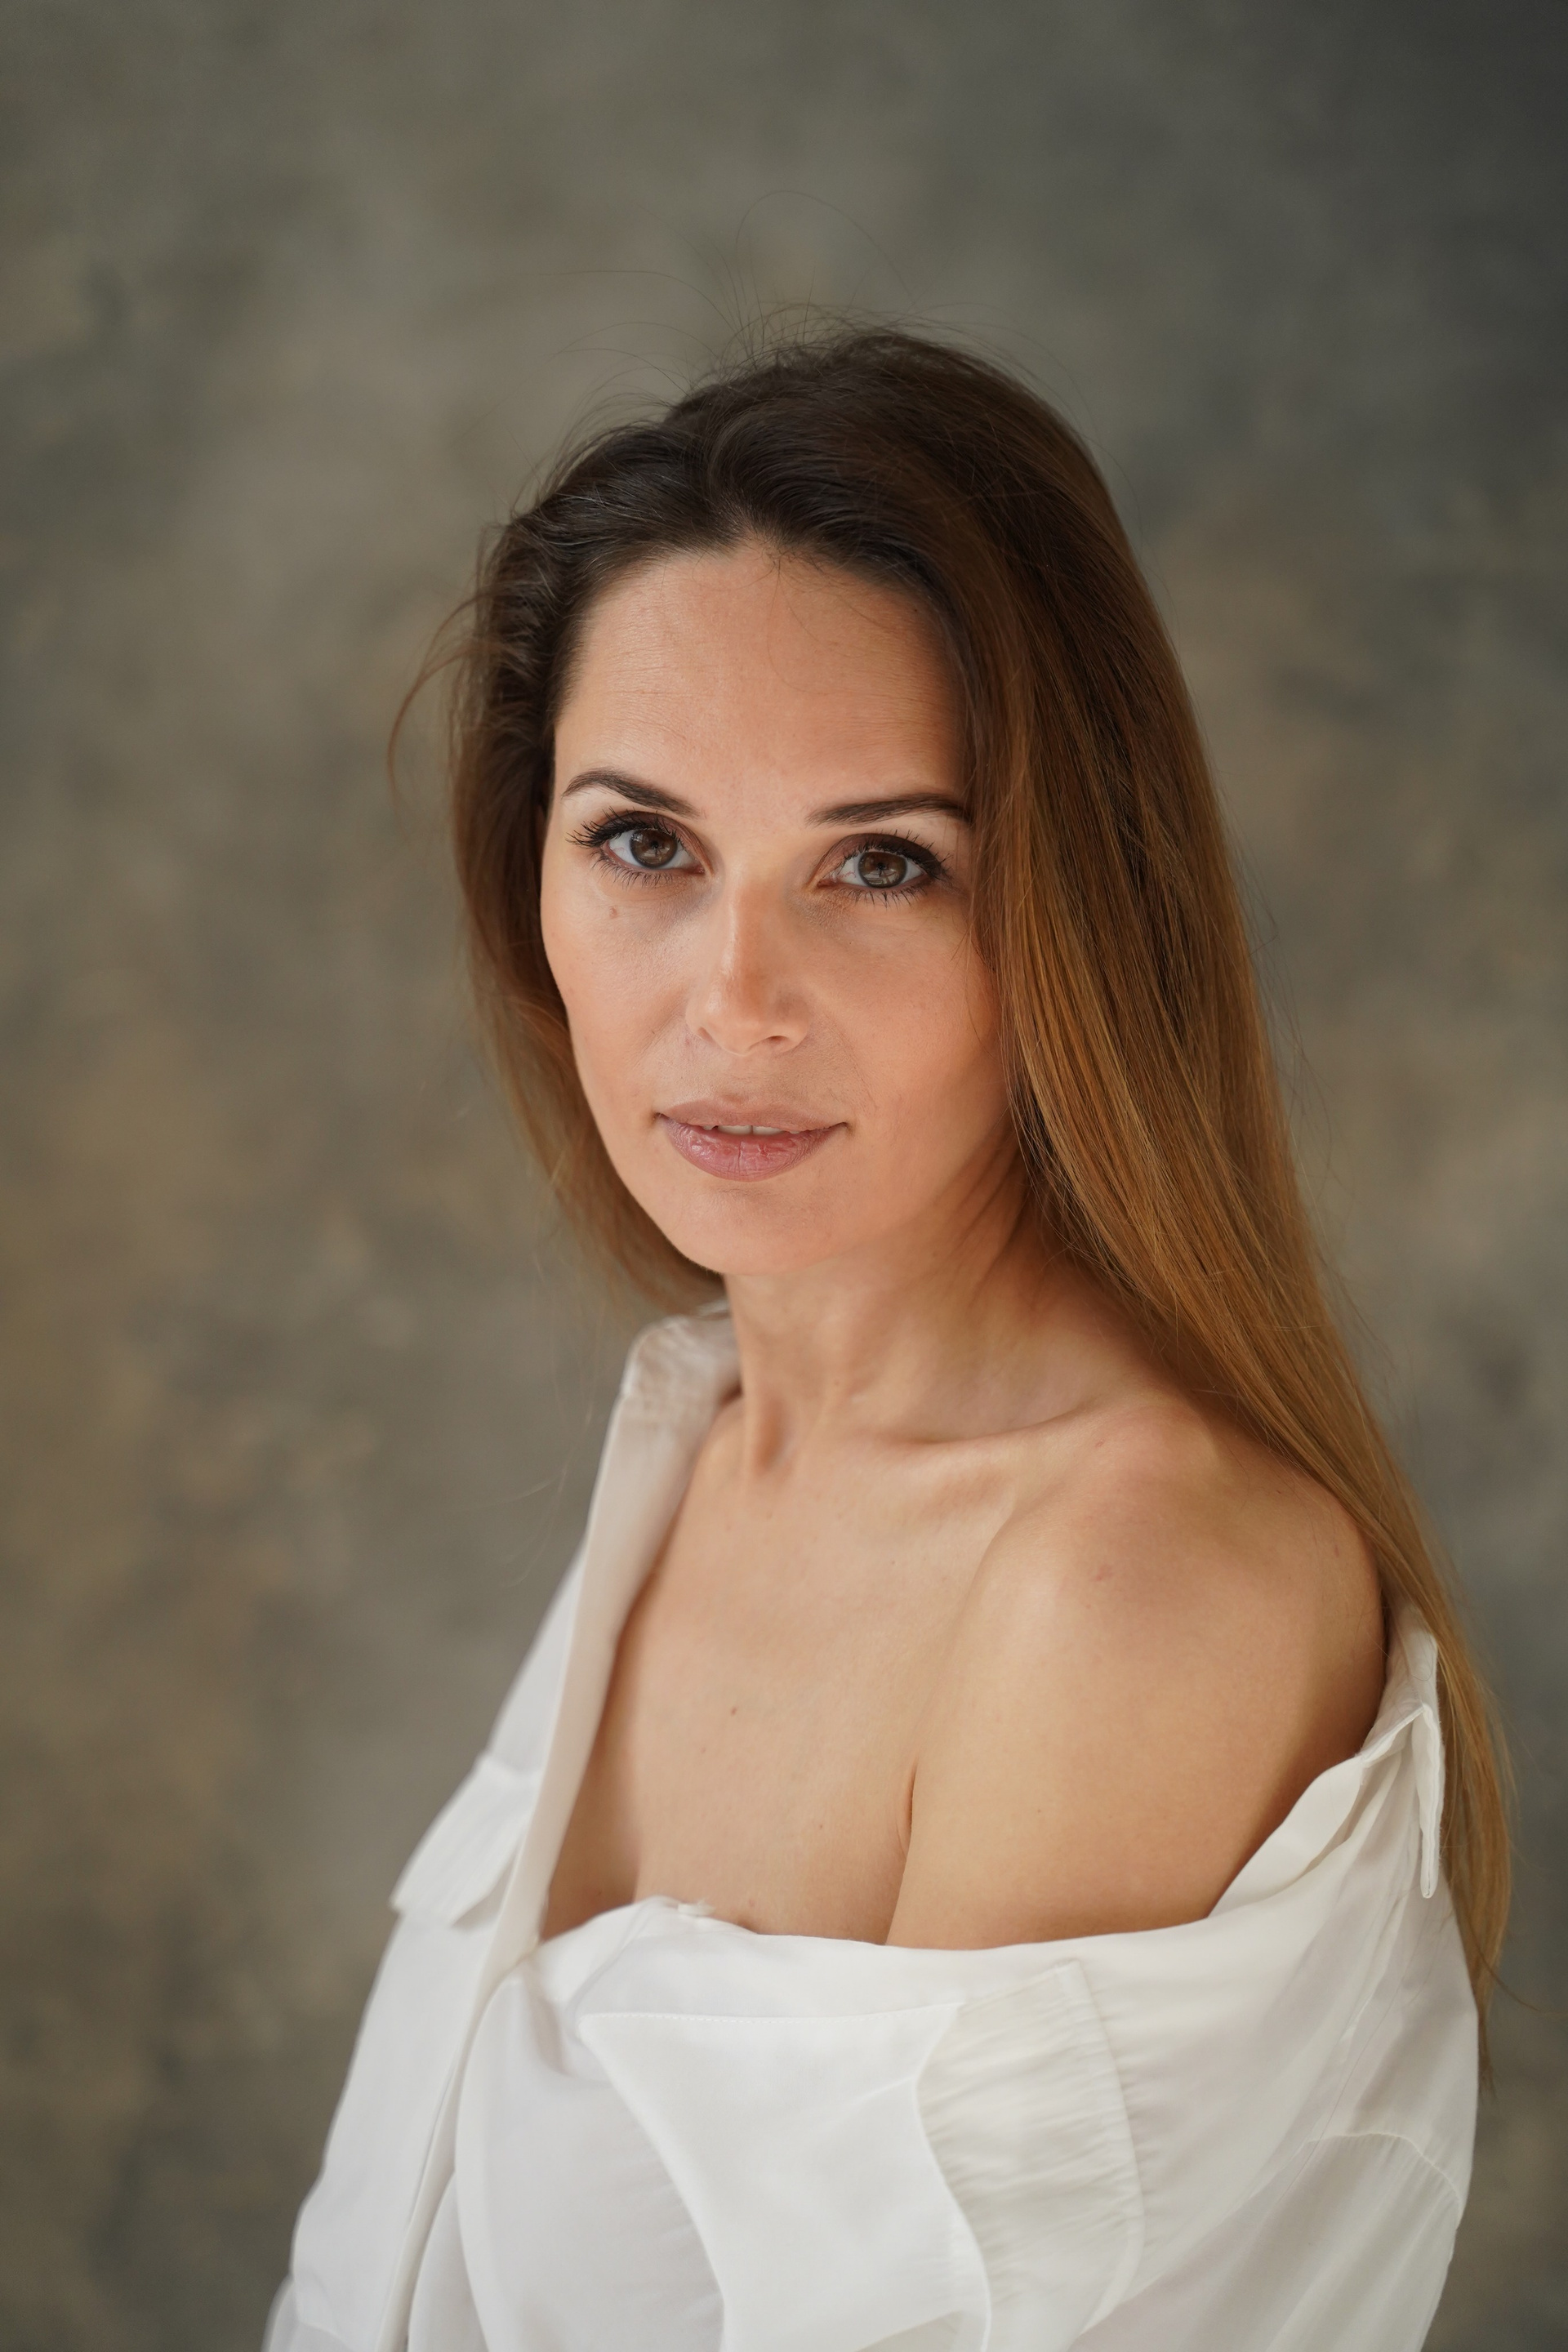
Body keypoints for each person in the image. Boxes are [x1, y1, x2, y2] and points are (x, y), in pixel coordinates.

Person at [264, 327, 1508, 2352]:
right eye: (646, 842)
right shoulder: (711, 1433)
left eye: (881, 864)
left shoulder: (1124, 1590)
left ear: (1075, 914)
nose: (733, 1002)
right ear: (529, 866)